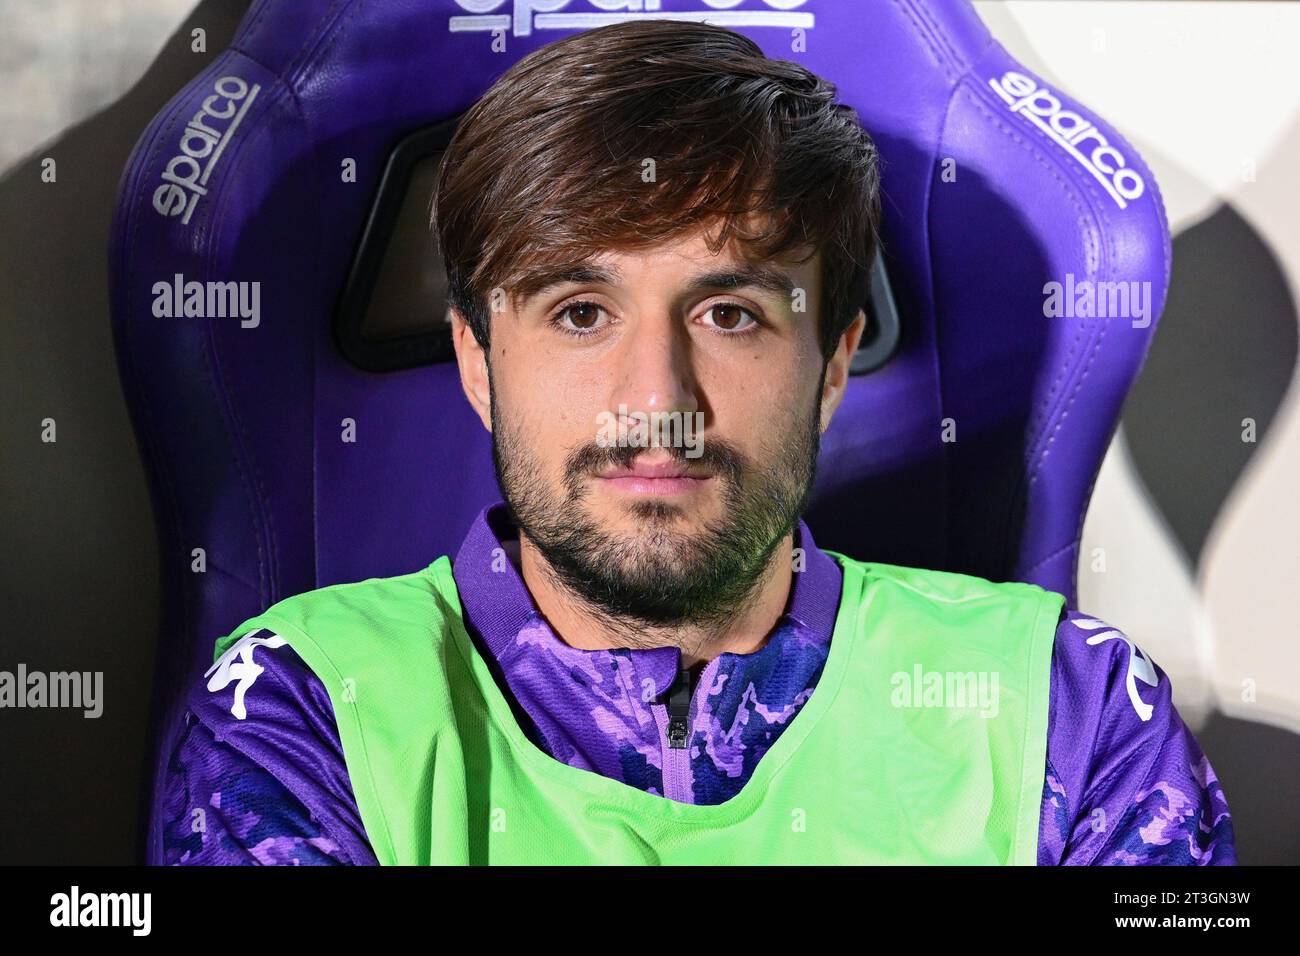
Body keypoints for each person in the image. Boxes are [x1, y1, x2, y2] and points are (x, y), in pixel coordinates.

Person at [161, 19, 1234, 865]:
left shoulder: (1070, 710)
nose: (656, 394)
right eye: (580, 311)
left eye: (730, 314)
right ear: (479, 362)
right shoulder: (298, 711)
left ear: (828, 364)